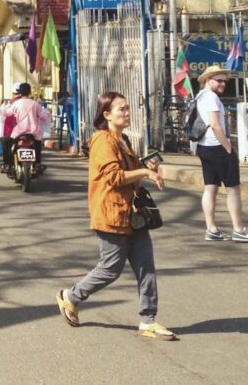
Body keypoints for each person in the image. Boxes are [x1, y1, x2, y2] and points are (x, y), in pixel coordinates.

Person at [56, 91, 174, 340]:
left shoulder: (122, 140)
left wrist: (146, 166)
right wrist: (143, 171)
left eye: (128, 108)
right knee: (110, 269)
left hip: (133, 215)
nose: (127, 113)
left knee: (146, 268)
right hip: (110, 215)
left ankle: (148, 320)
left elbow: (128, 174)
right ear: (106, 114)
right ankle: (70, 296)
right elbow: (113, 177)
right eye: (122, 109)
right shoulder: (102, 141)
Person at [194, 65, 248, 242]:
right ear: (208, 80)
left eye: (225, 80)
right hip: (217, 147)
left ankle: (212, 229)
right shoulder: (211, 98)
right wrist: (228, 147)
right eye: (219, 80)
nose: (223, 83)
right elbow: (215, 125)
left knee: (210, 188)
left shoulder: (200, 96)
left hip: (204, 146)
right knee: (233, 189)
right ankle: (239, 229)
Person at [2, 82, 50, 174]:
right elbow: (43, 117)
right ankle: (37, 164)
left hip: (19, 132)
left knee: (5, 141)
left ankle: (7, 164)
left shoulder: (17, 104)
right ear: (30, 92)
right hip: (33, 133)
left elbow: (7, 113)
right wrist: (48, 112)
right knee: (38, 147)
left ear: (20, 93)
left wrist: (8, 104)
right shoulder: (35, 104)